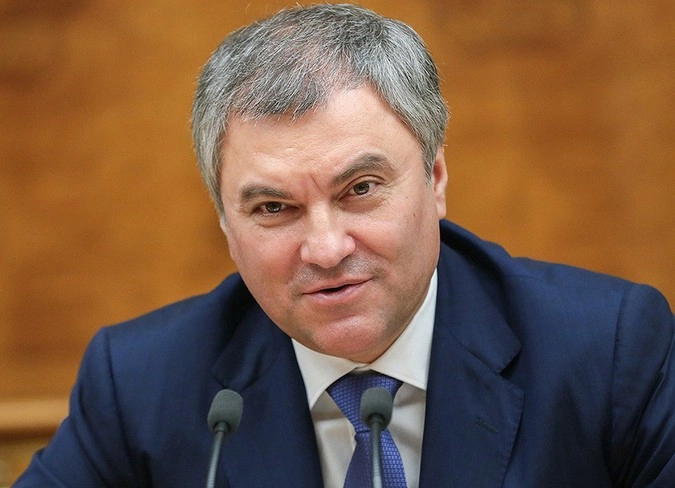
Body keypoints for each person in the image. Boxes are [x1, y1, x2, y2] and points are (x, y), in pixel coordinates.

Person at [15, 3, 674, 487]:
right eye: (274, 208)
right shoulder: (140, 387)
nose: (326, 249)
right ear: (224, 224)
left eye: (360, 189)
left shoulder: (610, 354)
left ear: (435, 178)